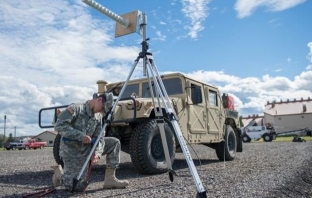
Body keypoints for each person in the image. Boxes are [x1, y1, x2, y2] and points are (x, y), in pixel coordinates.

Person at [52, 93, 129, 192]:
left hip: (87, 148)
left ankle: (110, 179)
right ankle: (59, 174)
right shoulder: (76, 108)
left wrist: (97, 153)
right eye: (102, 108)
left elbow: (99, 138)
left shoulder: (98, 116)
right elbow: (59, 126)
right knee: (76, 187)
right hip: (72, 151)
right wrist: (80, 136)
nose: (102, 111)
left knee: (114, 143)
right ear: (99, 100)